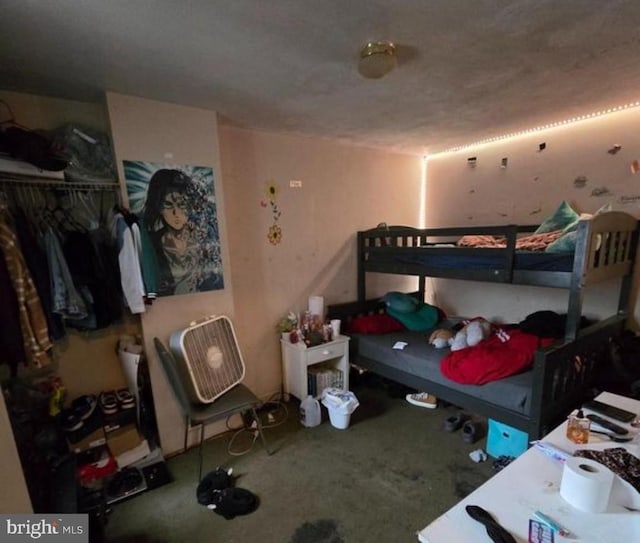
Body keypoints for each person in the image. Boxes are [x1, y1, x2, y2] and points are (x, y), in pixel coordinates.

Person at [142, 169, 198, 296]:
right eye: (168, 204)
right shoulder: (151, 244)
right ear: (159, 207)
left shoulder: (203, 239)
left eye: (182, 204)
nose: (176, 213)